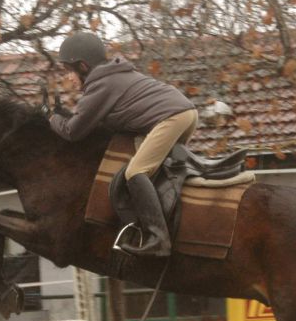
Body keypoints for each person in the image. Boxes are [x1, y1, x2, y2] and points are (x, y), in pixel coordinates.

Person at [48, 31, 199, 257]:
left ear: (82, 66)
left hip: (172, 117)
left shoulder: (100, 85)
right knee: (153, 171)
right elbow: (92, 123)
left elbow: (73, 132)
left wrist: (49, 117)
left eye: (70, 71)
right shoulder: (113, 75)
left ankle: (159, 239)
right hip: (184, 113)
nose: (69, 78)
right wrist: (63, 114)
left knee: (136, 172)